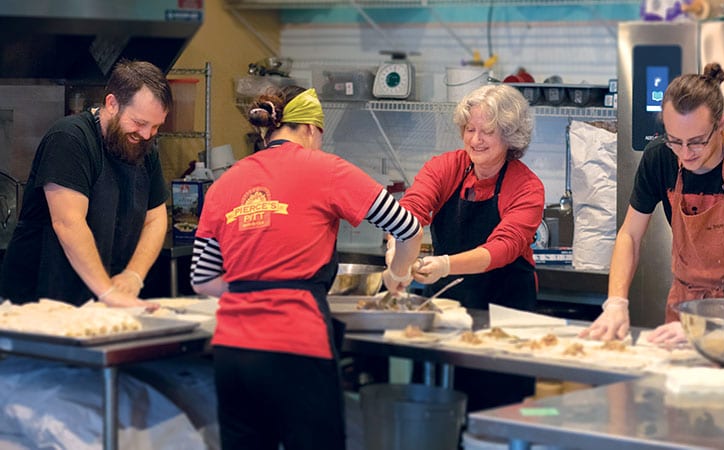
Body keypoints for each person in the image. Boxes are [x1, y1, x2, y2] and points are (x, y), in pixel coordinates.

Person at [190, 85, 423, 450]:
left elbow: (202, 278)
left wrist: (253, 287)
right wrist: (397, 276)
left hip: (233, 352)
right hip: (297, 343)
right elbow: (408, 227)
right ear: (312, 129)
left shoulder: (224, 183)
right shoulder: (327, 169)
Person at [581, 62, 724, 345]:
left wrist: (712, 322)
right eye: (674, 141)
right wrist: (616, 302)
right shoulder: (658, 158)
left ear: (721, 123)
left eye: (696, 142)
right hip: (687, 310)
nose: (685, 154)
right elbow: (629, 235)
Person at [387, 83, 545, 411]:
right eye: (470, 129)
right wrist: (395, 262)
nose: (475, 140)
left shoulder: (527, 186)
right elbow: (409, 213)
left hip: (506, 323)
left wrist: (444, 266)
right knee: (437, 414)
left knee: (497, 418)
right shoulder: (446, 167)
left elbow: (504, 247)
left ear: (510, 136)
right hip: (448, 318)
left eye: (487, 131)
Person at [0, 59, 171, 309]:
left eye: (155, 127)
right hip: (38, 301)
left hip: (96, 301)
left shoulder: (144, 148)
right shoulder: (70, 138)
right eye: (139, 123)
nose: (146, 135)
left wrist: (134, 275)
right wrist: (109, 292)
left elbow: (156, 218)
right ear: (112, 103)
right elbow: (68, 223)